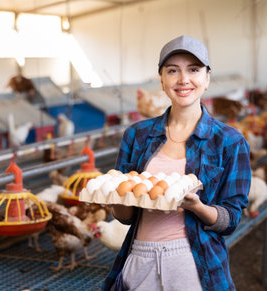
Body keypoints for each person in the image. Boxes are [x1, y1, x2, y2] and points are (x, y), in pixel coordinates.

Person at [102, 35, 251, 291]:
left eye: (193, 69)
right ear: (162, 80)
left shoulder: (229, 142)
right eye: (173, 70)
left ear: (207, 78)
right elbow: (125, 217)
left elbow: (231, 218)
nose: (183, 79)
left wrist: (198, 207)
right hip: (140, 257)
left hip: (193, 262)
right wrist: (117, 195)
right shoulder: (136, 135)